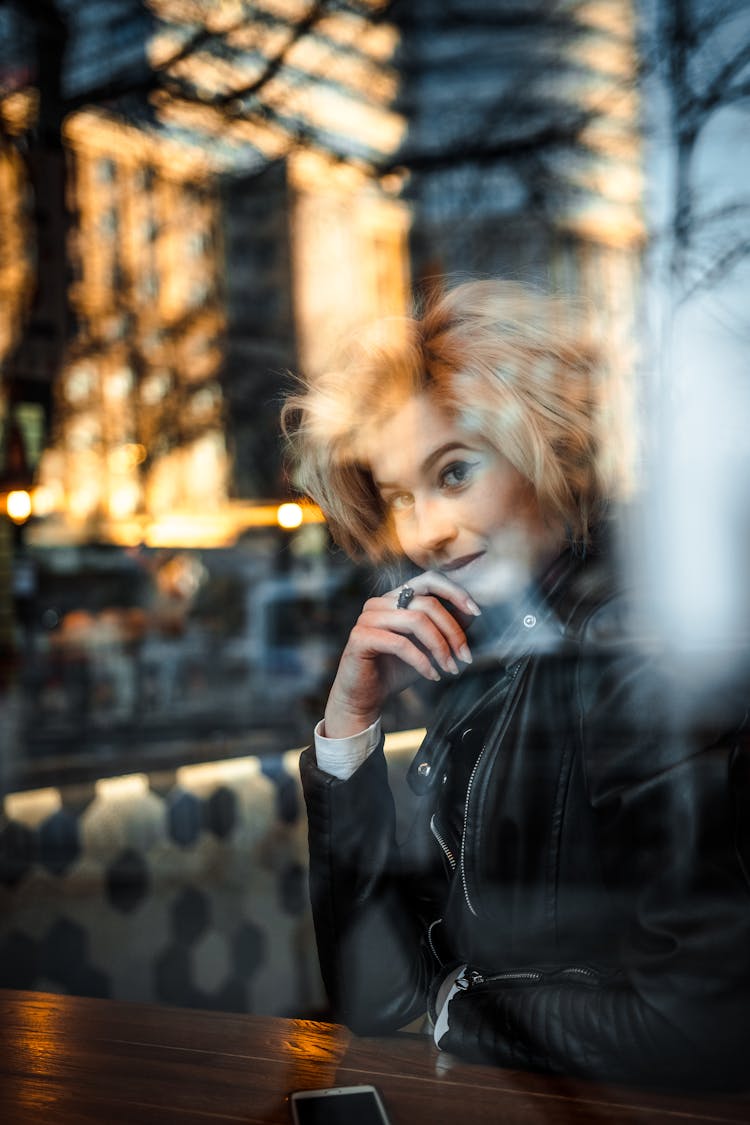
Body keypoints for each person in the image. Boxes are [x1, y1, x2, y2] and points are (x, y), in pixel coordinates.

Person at [281, 280, 750, 1088]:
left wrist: (462, 1009)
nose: (422, 530)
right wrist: (350, 718)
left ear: (548, 446)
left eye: (454, 472)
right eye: (398, 496)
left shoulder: (630, 654)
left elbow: (704, 1023)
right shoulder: (489, 664)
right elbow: (379, 991)